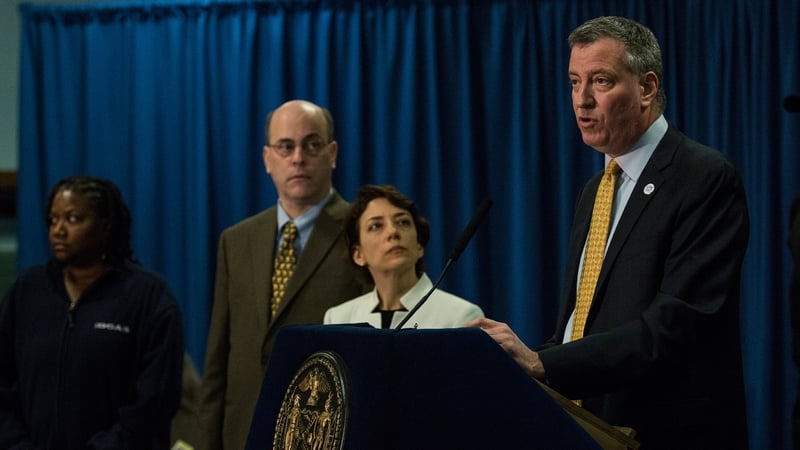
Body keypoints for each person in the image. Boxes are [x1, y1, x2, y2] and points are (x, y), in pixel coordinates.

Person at [466, 16, 749, 449]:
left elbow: (673, 327)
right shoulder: (596, 189)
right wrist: (523, 360)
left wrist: (544, 363)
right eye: (573, 82)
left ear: (647, 88)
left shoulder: (703, 176)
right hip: (587, 429)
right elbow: (580, 325)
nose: (582, 101)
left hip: (667, 432)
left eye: (600, 81)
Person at [196, 100, 363, 450]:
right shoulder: (236, 240)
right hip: (242, 433)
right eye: (285, 146)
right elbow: (218, 361)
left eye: (312, 144)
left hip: (325, 433)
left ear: (332, 153)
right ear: (267, 158)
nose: (298, 158)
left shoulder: (361, 230)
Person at [0, 175, 184, 449]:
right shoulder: (27, 291)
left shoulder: (147, 296)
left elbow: (154, 401)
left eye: (73, 219)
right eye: (53, 220)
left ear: (105, 226)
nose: (58, 230)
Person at [324, 184, 484, 328]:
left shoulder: (461, 317)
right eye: (376, 226)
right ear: (358, 255)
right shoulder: (338, 319)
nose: (393, 232)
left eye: (403, 222)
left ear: (419, 246)